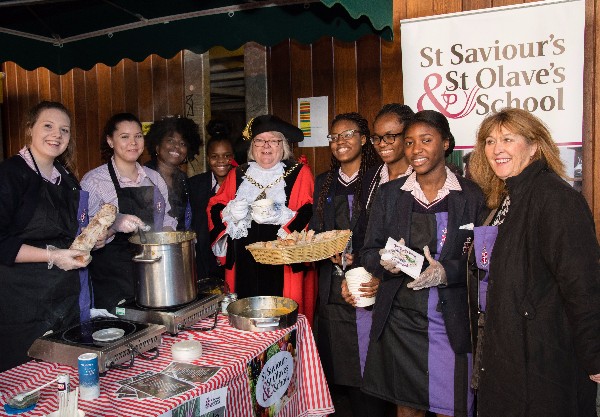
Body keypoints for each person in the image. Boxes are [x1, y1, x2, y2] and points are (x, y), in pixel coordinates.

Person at [467, 107, 600, 416]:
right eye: (489, 141)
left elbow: (582, 284)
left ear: (534, 146)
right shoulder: (507, 198)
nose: (496, 149)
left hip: (542, 357)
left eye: (508, 139)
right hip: (509, 349)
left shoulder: (555, 197)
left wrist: (595, 356)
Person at [360, 110, 485, 417]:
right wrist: (385, 262)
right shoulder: (390, 195)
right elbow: (369, 251)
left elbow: (483, 260)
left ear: (445, 143)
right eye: (410, 142)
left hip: (452, 322)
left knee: (453, 407)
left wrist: (447, 271)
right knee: (408, 408)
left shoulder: (472, 195)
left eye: (426, 141)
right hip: (401, 320)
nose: (416, 150)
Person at [0, 101, 94, 372]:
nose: (57, 135)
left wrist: (93, 238)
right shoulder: (9, 175)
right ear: (30, 129)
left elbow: (74, 229)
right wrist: (52, 255)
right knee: (27, 383)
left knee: (64, 378)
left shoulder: (66, 178)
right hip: (22, 305)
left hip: (65, 300)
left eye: (64, 130)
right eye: (48, 126)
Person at [207, 115, 316, 323]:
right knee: (245, 320)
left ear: (282, 145)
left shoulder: (300, 173)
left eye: (273, 140)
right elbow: (215, 206)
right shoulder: (237, 174)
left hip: (283, 264)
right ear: (252, 146)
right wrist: (229, 214)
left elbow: (310, 210)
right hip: (243, 264)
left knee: (282, 324)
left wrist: (285, 220)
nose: (266, 146)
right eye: (259, 140)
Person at [310, 112, 382, 417]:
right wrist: (321, 247)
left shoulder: (378, 178)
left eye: (348, 134)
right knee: (334, 364)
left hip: (365, 280)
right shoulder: (324, 182)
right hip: (329, 285)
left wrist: (357, 255)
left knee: (364, 366)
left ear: (364, 139)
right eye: (334, 137)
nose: (340, 142)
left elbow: (383, 228)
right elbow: (316, 226)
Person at [81, 113, 177, 312]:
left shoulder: (154, 178)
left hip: (153, 273)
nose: (133, 143)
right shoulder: (94, 181)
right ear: (110, 141)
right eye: (124, 137)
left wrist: (169, 238)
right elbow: (85, 235)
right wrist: (113, 224)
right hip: (112, 280)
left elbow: (166, 217)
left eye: (138, 136)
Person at [189, 120, 235, 289]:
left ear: (233, 157)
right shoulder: (194, 185)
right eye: (215, 156)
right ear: (208, 159)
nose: (221, 161)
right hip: (204, 260)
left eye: (227, 156)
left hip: (234, 259)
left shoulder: (244, 184)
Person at [145, 116, 201, 231]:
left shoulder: (183, 179)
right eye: (170, 141)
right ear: (157, 146)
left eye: (183, 143)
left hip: (178, 245)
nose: (176, 147)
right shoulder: (143, 175)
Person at [363, 103, 415, 213]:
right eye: (377, 138)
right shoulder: (370, 177)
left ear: (408, 136)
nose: (381, 144)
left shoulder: (422, 176)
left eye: (390, 137)